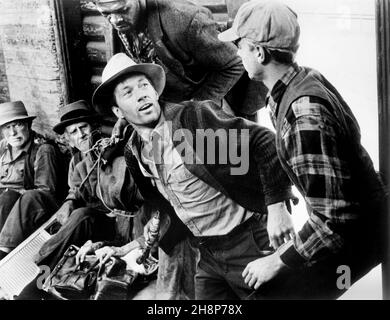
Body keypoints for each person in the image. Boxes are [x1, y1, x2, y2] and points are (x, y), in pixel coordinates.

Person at [91, 52, 297, 300]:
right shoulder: (135, 153)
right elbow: (170, 205)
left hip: (248, 242)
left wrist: (277, 207)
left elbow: (264, 143)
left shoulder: (192, 122)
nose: (141, 94)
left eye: (144, 86)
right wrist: (134, 246)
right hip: (207, 256)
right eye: (128, 92)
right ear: (118, 111)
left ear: (155, 93)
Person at [218, 0, 387, 299]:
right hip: (347, 223)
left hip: (359, 236)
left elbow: (336, 219)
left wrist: (278, 260)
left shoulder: (303, 114)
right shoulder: (298, 80)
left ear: (259, 52)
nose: (237, 53)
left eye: (240, 45)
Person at [17, 100, 144, 300]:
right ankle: (46, 278)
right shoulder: (77, 163)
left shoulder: (113, 150)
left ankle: (37, 285)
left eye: (83, 127)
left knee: (81, 215)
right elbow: (75, 191)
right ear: (69, 139)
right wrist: (69, 201)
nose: (81, 135)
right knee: (77, 216)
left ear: (94, 127)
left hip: (119, 223)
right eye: (74, 132)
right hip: (95, 224)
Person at [92, 0, 268, 121]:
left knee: (229, 166)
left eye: (122, 10)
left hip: (217, 105)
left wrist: (197, 107)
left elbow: (234, 63)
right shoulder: (122, 21)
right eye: (107, 13)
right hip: (173, 107)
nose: (115, 20)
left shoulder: (185, 20)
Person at [0, 101, 61, 260]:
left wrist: (13, 193)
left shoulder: (43, 149)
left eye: (17, 125)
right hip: (5, 208)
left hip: (32, 209)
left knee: (10, 197)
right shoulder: (3, 147)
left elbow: (45, 193)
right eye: (7, 127)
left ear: (28, 124)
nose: (12, 133)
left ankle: (3, 252)